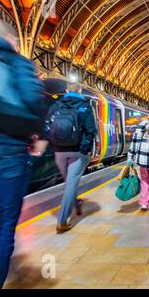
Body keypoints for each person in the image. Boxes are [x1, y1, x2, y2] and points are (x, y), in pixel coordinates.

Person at [0, 21, 46, 289]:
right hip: (10, 154)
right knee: (5, 226)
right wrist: (38, 134)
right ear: (8, 38)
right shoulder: (17, 62)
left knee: (0, 214)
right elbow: (33, 100)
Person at [44, 81, 96, 234]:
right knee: (71, 184)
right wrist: (84, 149)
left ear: (66, 90)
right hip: (77, 152)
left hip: (59, 152)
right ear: (79, 91)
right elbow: (90, 130)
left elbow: (47, 124)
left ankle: (76, 203)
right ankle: (62, 221)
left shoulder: (56, 105)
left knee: (70, 183)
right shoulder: (85, 106)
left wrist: (54, 144)